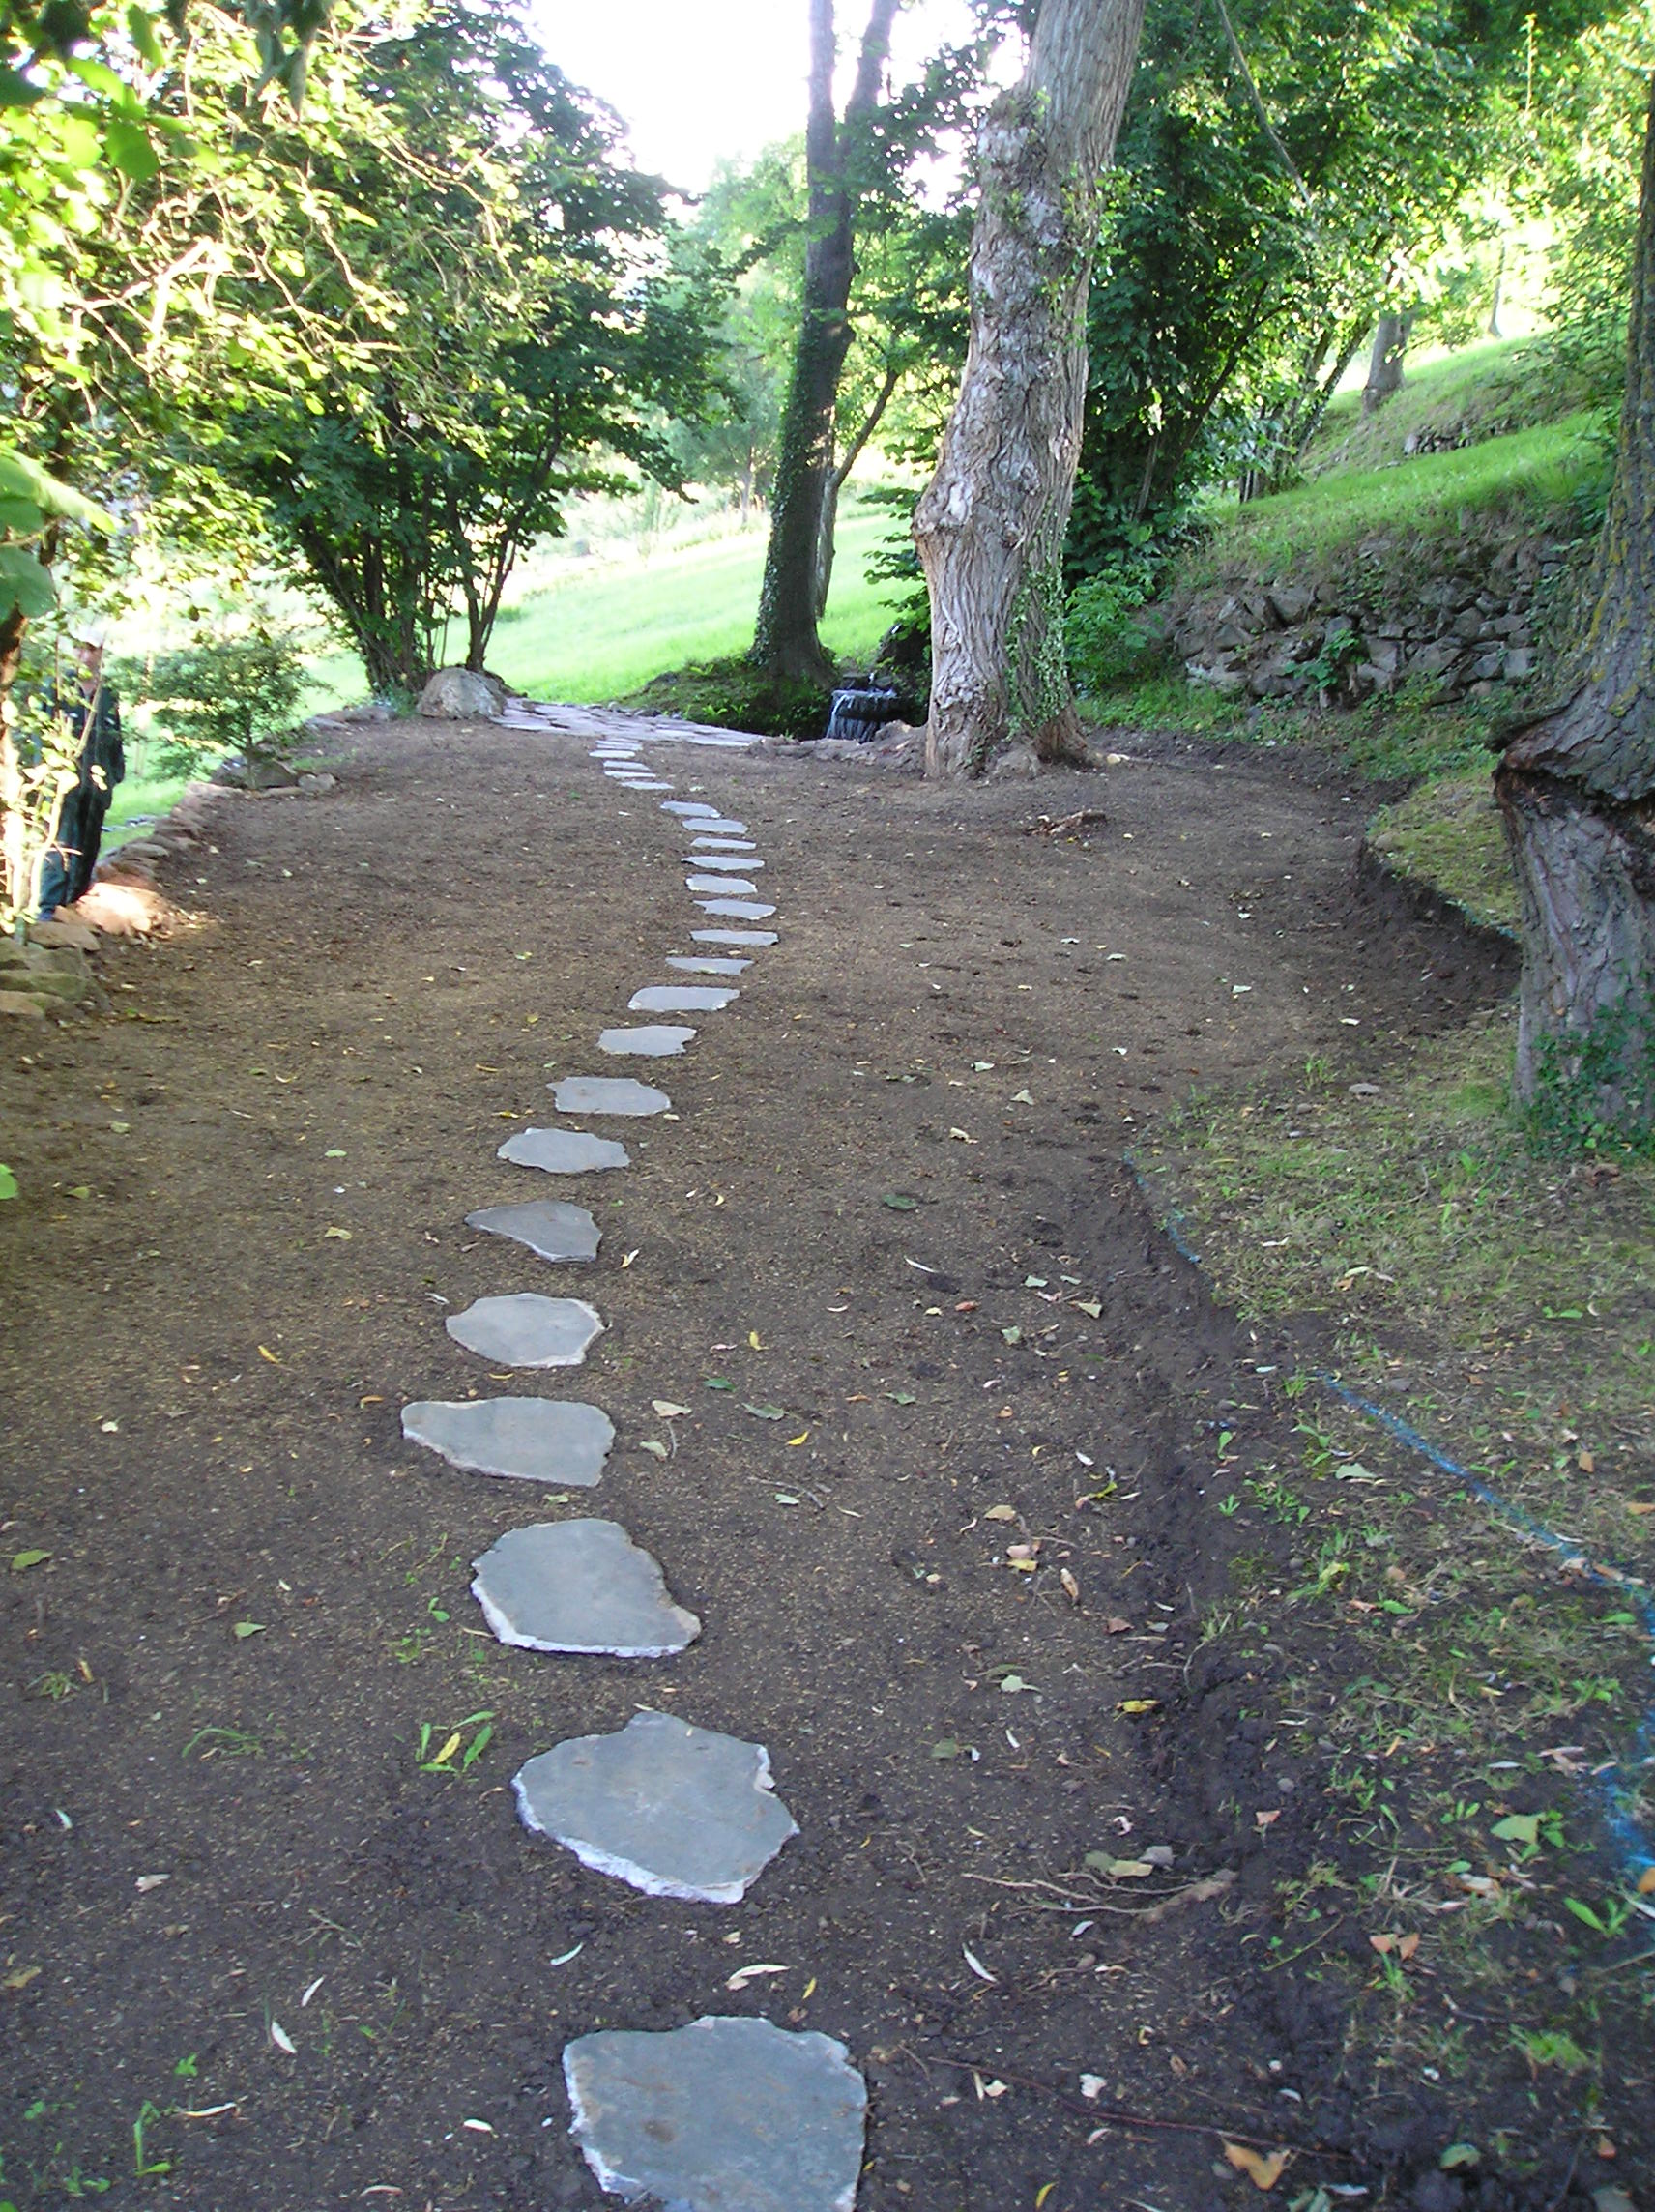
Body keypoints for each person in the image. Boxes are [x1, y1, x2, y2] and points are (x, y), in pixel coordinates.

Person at [36, 630, 124, 919]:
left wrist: (114, 774)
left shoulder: (107, 693)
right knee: (59, 844)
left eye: (91, 649)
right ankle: (49, 910)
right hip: (63, 784)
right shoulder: (58, 688)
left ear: (101, 650)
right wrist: (46, 777)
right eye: (79, 648)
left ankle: (77, 902)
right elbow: (41, 737)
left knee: (89, 843)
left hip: (97, 786)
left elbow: (115, 735)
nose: (85, 656)